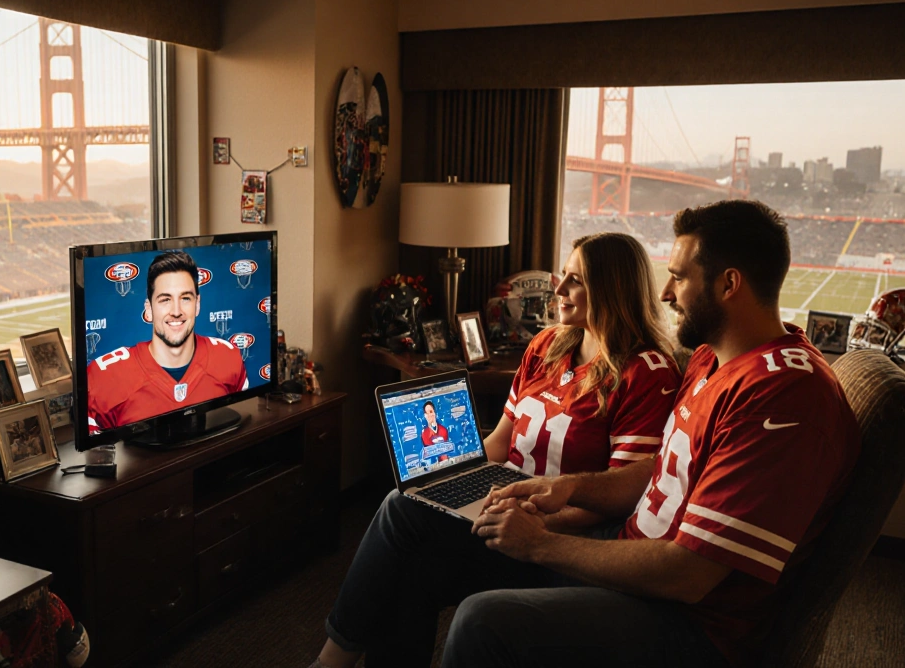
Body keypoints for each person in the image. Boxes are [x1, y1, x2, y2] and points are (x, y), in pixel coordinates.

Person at [313, 201, 859, 668]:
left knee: (483, 622)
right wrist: (567, 489)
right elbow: (654, 473)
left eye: (679, 276)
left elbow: (690, 576)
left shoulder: (785, 395)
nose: (665, 292)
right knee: (413, 531)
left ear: (729, 284)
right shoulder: (712, 361)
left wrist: (545, 542)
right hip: (631, 558)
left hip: (689, 621)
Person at [315, 231, 684, 667]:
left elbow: (621, 495)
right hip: (500, 503)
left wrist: (539, 527)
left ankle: (328, 663)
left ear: (612, 288)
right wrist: (451, 473)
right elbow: (500, 442)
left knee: (400, 510)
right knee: (411, 548)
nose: (559, 290)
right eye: (561, 276)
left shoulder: (645, 372)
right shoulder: (547, 345)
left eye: (575, 280)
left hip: (560, 537)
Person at [87, 251, 248, 433]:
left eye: (186, 298)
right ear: (148, 310)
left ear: (198, 305)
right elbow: (97, 458)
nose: (176, 311)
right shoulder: (104, 378)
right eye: (165, 300)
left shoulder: (227, 357)